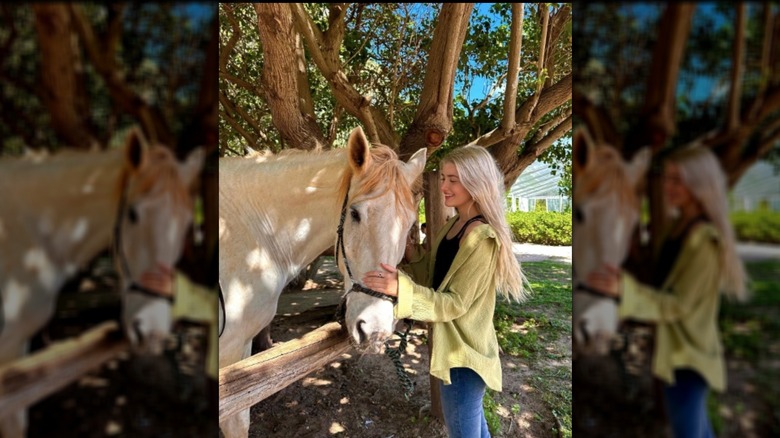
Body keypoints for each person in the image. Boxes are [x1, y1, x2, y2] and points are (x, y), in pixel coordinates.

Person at [362, 145, 529, 438]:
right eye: (443, 178)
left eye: (454, 179)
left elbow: (454, 303)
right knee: (474, 429)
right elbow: (434, 279)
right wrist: (412, 256)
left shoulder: (483, 239)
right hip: (452, 351)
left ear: (476, 182)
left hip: (465, 357)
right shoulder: (453, 225)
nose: (444, 186)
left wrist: (401, 289)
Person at [585, 146, 747, 438]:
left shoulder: (704, 241)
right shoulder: (679, 227)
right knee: (698, 430)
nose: (669, 187)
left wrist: (627, 291)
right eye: (668, 178)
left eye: (678, 179)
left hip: (689, 356)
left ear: (700, 184)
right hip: (676, 351)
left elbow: (679, 305)